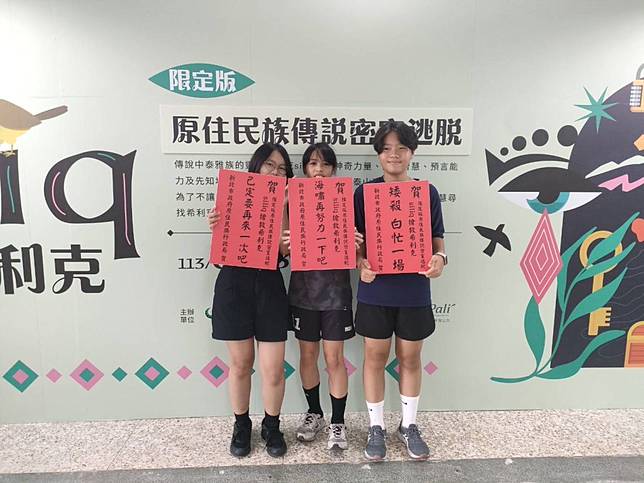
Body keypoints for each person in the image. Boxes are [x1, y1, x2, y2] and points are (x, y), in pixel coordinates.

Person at [353, 121, 447, 461]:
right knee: (374, 358)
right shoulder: (364, 193)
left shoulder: (427, 193)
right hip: (375, 291)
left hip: (414, 291)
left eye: (401, 148)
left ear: (412, 153)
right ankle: (376, 426)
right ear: (378, 154)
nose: (394, 155)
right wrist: (360, 263)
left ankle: (408, 425)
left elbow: (438, 239)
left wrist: (440, 259)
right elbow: (356, 243)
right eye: (387, 149)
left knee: (410, 357)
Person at [207, 143, 294, 458]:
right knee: (241, 364)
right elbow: (222, 249)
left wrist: (282, 207)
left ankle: (272, 425)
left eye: (282, 168)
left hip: (270, 287)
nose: (275, 172)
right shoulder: (234, 197)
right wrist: (215, 224)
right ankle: (241, 425)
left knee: (273, 369)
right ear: (256, 166)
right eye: (269, 164)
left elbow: (283, 251)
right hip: (234, 286)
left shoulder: (291, 204)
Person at [281, 143, 363, 451]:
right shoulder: (293, 201)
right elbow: (283, 249)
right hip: (303, 292)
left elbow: (358, 248)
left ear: (333, 169)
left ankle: (338, 422)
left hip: (336, 293)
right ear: (304, 168)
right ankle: (314, 412)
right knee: (307, 355)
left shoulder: (345, 199)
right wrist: (286, 215)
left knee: (334, 358)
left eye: (326, 164)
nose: (319, 170)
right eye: (313, 163)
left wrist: (357, 243)